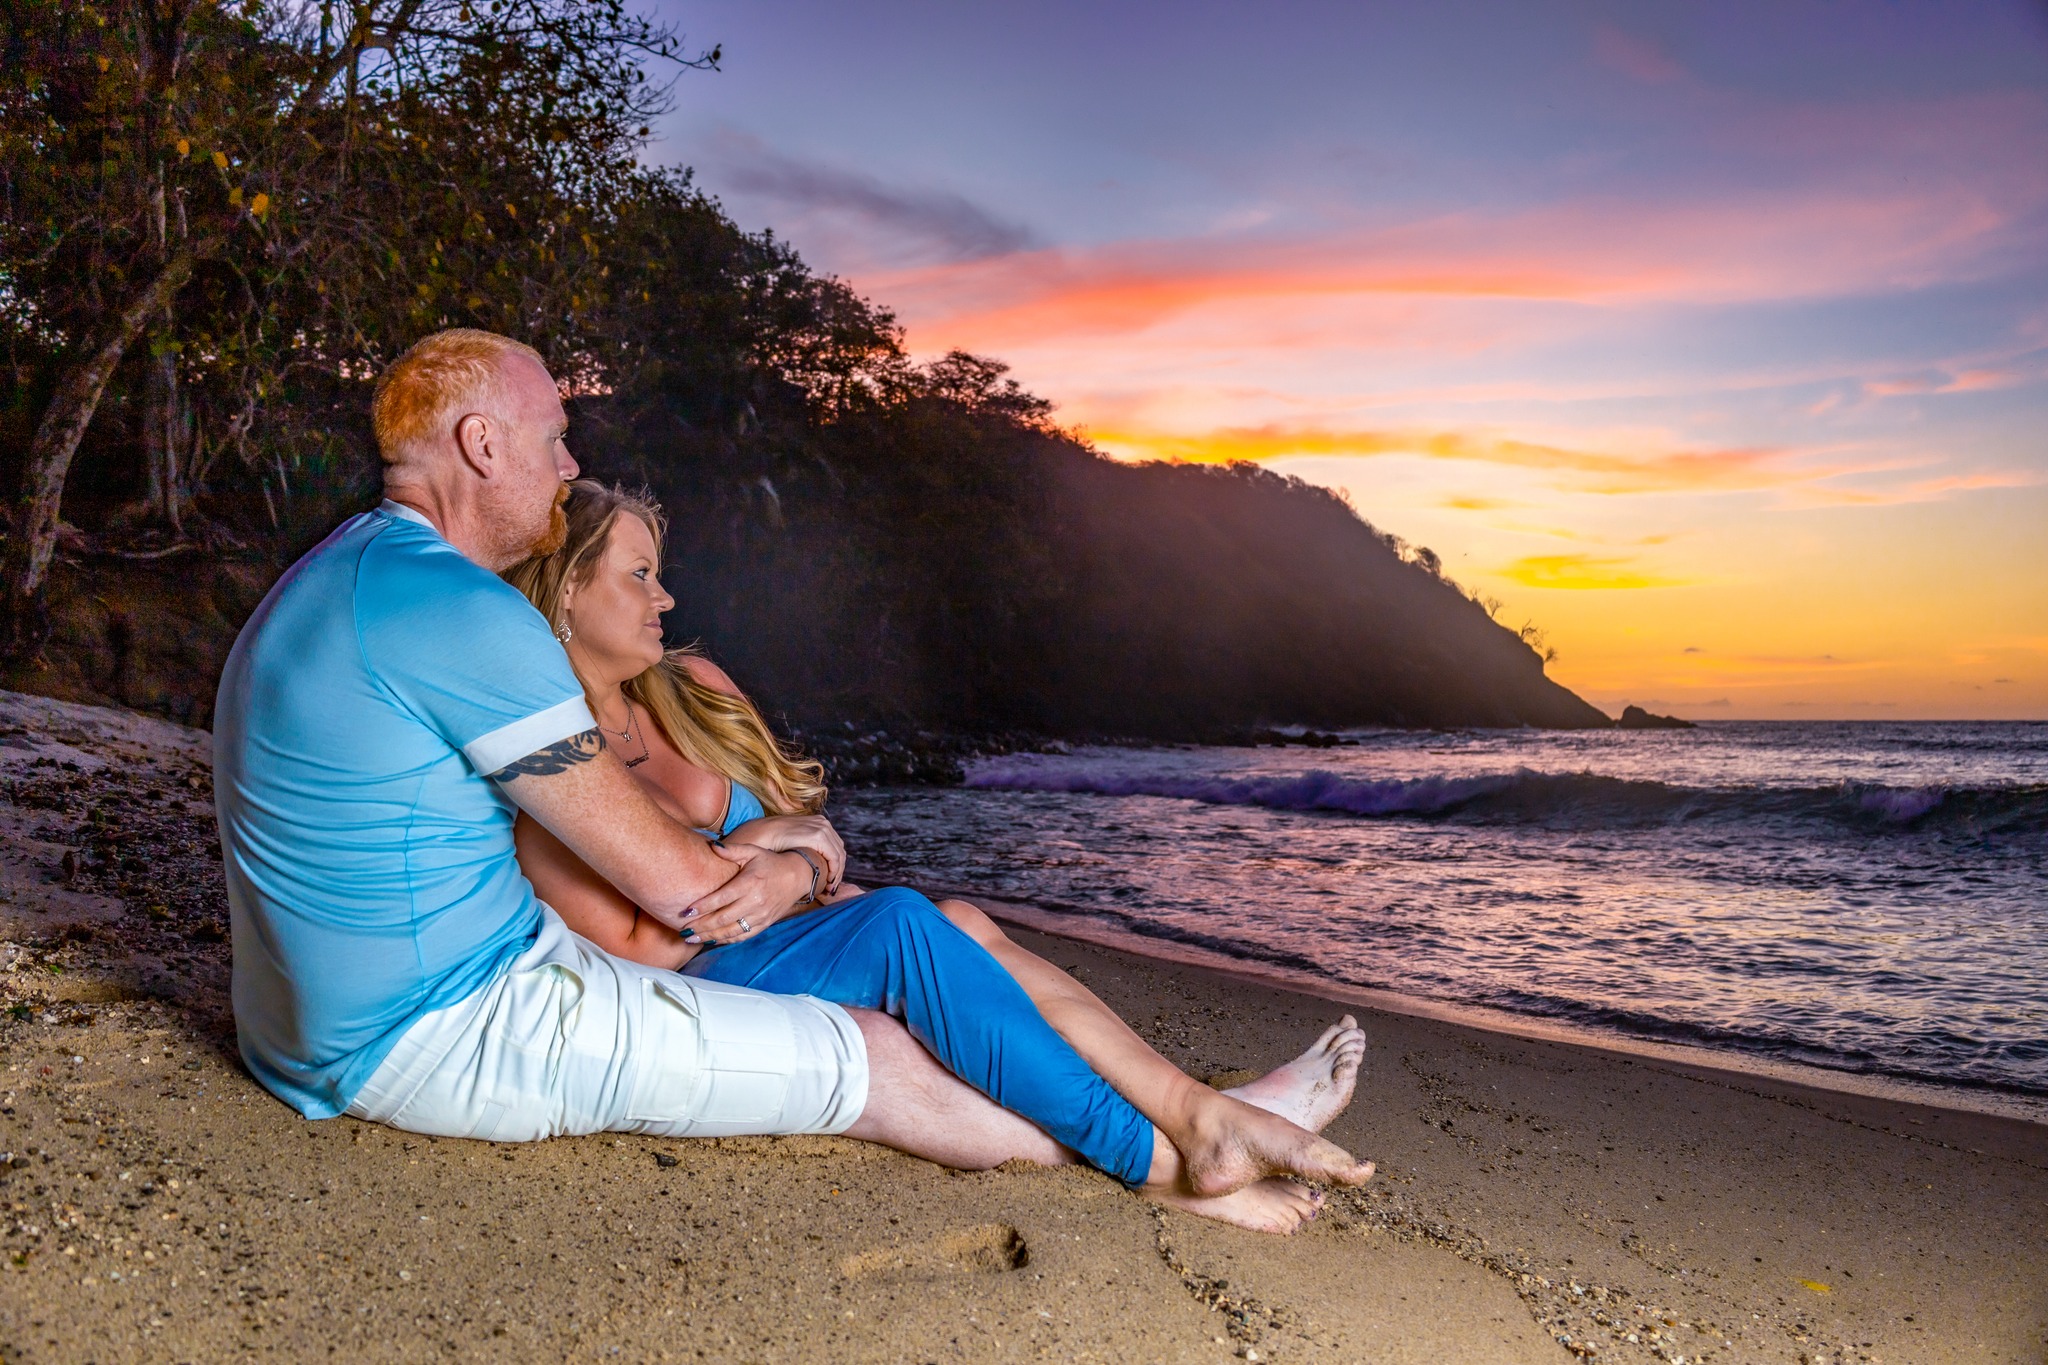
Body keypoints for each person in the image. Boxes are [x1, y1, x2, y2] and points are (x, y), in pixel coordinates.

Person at [211, 328, 1099, 1185]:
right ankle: (1155, 1164)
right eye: (554, 438)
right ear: (480, 444)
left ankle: (1155, 1123)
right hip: (433, 1028)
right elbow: (685, 891)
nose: (568, 465)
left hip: (298, 1029)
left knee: (921, 957)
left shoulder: (337, 572)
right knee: (878, 1054)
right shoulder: (461, 608)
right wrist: (801, 856)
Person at [504, 479, 1378, 1231]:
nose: (664, 598)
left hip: (802, 924)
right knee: (902, 924)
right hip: (710, 975)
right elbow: (641, 949)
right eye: (640, 574)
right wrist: (753, 846)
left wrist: (797, 864)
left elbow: (814, 834)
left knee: (959, 918)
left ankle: (1200, 1112)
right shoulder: (548, 767)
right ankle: (1160, 1160)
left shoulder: (694, 689)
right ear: (569, 589)